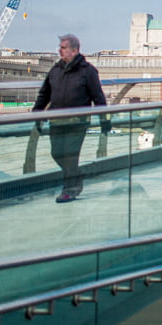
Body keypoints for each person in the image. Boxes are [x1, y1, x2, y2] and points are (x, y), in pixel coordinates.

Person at [33, 34, 110, 203]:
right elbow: (44, 94)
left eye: (63, 47)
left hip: (78, 122)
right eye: (59, 47)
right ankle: (77, 177)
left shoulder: (88, 71)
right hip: (57, 120)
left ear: (75, 50)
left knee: (70, 155)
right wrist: (37, 114)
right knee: (56, 153)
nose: (59, 50)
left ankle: (70, 189)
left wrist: (104, 120)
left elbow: (98, 97)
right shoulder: (55, 70)